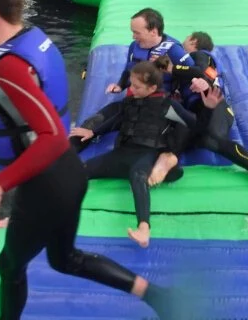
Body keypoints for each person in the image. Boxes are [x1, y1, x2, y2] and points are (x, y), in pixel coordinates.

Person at [0, 0, 182, 319]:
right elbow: (29, 122)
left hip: (44, 185)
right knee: (64, 259)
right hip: (67, 173)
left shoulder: (9, 67)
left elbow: (48, 135)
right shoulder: (33, 38)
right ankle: (156, 295)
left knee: (9, 266)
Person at [70, 60, 221, 249]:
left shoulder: (168, 106)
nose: (131, 89)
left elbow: (196, 127)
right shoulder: (130, 101)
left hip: (148, 153)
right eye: (132, 84)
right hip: (122, 153)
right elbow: (117, 119)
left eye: (136, 86)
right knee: (82, 169)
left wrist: (208, 109)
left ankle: (144, 228)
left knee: (137, 176)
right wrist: (93, 132)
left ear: (152, 88)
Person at [148, 35, 248, 207]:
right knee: (192, 131)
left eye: (185, 41)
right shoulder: (183, 71)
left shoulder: (199, 55)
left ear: (194, 41)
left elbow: (200, 72)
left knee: (213, 138)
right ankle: (169, 157)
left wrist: (173, 68)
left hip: (215, 105)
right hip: (197, 110)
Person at [105, 7, 195, 96]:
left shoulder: (174, 50)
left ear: (153, 32)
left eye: (137, 33)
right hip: (136, 96)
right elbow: (128, 70)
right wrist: (120, 86)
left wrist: (172, 69)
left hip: (161, 100)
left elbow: (194, 72)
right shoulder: (134, 46)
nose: (133, 37)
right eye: (133, 32)